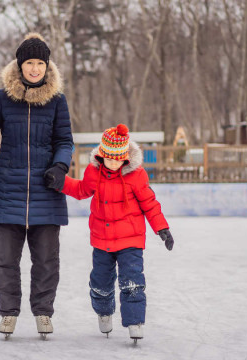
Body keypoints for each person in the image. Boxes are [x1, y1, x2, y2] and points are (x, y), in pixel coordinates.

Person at [0, 32, 73, 339]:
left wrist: (60, 166)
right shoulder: (2, 99)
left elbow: (64, 141)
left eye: (40, 63)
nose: (34, 68)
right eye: (29, 63)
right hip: (7, 191)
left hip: (47, 191)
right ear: (20, 65)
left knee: (47, 261)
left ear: (47, 66)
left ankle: (43, 313)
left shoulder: (57, 101)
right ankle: (9, 313)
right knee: (6, 261)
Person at [46, 124, 174, 342]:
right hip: (102, 239)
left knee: (132, 281)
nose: (113, 162)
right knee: (100, 282)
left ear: (124, 157)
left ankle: (134, 321)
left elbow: (150, 203)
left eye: (118, 158)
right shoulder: (94, 173)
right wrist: (61, 183)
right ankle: (104, 312)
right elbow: (80, 190)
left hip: (130, 239)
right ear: (102, 155)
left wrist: (162, 228)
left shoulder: (136, 175)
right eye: (109, 158)